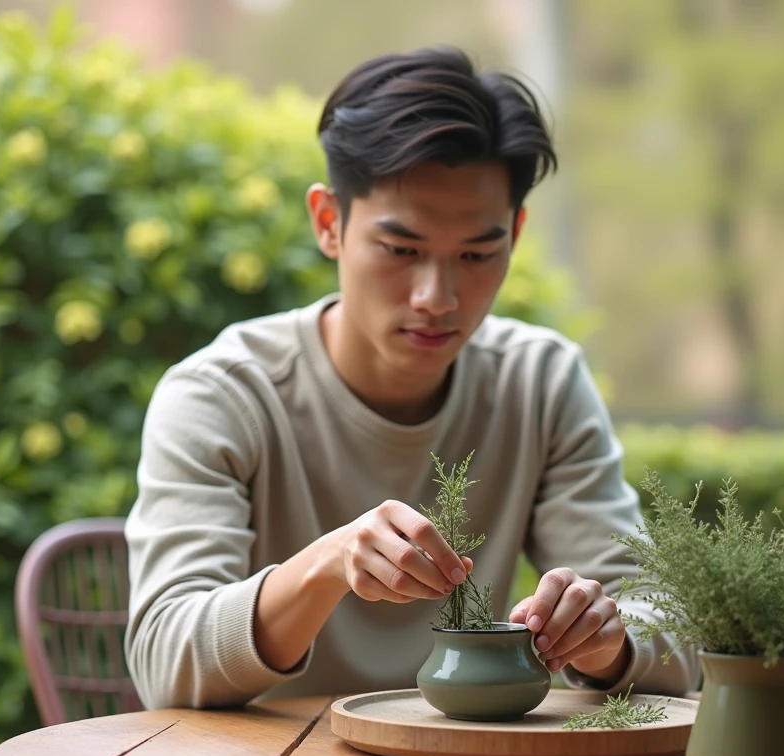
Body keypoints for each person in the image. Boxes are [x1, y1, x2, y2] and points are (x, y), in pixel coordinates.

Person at [123, 46, 698, 709]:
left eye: (478, 254)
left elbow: (671, 635)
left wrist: (605, 638)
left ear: (516, 232)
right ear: (328, 223)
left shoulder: (539, 382)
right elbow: (166, 660)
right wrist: (330, 566)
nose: (438, 296)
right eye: (402, 250)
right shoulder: (222, 395)